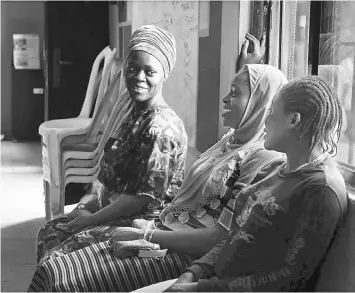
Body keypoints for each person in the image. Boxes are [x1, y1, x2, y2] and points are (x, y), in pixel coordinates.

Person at [28, 34, 288, 292]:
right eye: (132, 68)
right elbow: (255, 97)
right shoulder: (231, 141)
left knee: (59, 270)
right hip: (162, 229)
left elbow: (217, 237)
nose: (223, 99)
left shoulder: (261, 159)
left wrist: (143, 234)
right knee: (52, 256)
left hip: (173, 245)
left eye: (234, 94)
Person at [154, 75, 348, 292]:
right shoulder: (272, 169)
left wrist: (199, 288)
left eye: (272, 112)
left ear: (293, 120)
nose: (265, 121)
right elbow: (232, 237)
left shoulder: (321, 190)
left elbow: (288, 280)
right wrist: (191, 274)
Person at [35, 25, 188, 265]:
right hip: (111, 211)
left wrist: (91, 219)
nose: (139, 77)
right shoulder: (135, 115)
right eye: (133, 68)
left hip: (138, 225)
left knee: (59, 258)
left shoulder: (161, 128)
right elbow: (108, 177)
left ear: (164, 74)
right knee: (49, 232)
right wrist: (87, 205)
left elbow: (140, 199)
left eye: (150, 71)